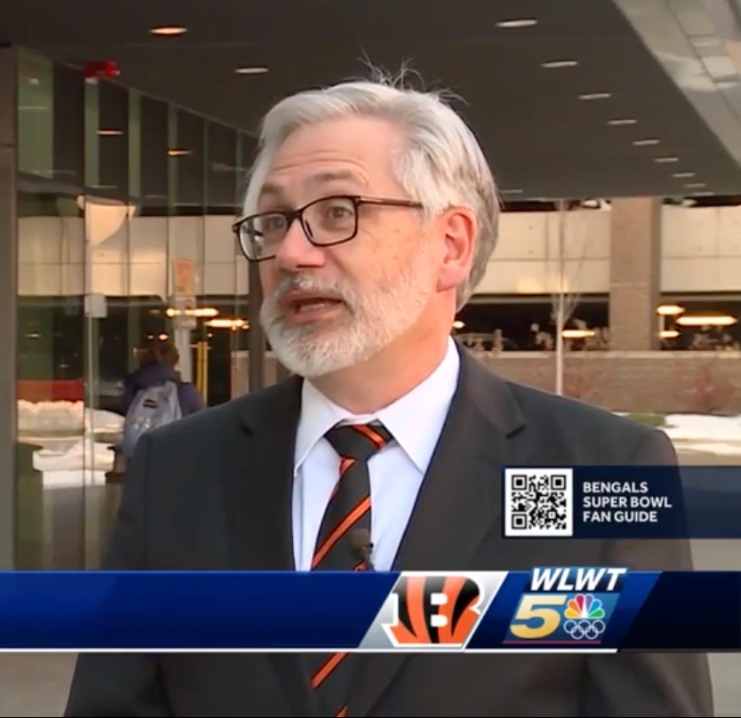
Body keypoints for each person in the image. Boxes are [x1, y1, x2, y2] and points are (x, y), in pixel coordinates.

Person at [64, 71, 713, 717]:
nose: (292, 252)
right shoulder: (179, 470)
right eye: (272, 220)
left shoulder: (600, 468)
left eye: (336, 213)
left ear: (451, 246)